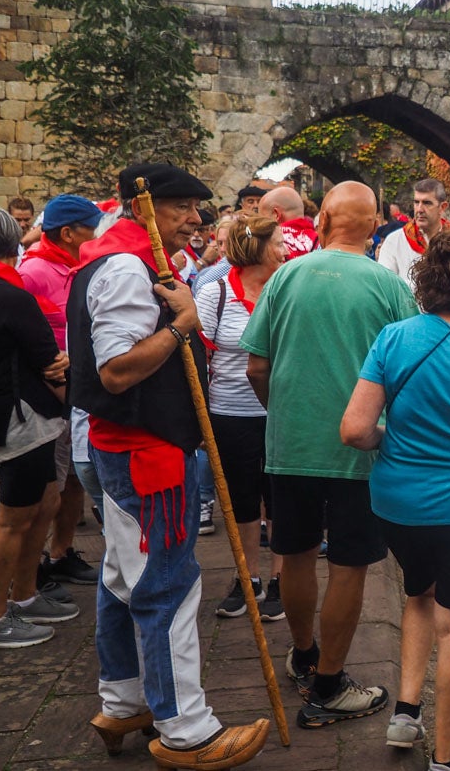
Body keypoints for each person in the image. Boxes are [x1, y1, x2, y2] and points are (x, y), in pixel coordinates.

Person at [68, 164, 268, 768]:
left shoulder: (117, 259)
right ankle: (187, 729)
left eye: (196, 207)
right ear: (142, 207)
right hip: (144, 454)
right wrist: (184, 325)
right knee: (168, 587)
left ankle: (125, 699)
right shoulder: (127, 267)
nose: (196, 219)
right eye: (181, 206)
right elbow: (117, 369)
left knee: (123, 578)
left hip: (129, 448)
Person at [243, 181, 418, 729]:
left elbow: (255, 365)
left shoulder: (286, 276)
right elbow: (410, 370)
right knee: (349, 566)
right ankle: (328, 685)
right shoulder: (388, 286)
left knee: (293, 554)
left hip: (290, 445)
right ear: (372, 229)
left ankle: (303, 653)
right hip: (359, 450)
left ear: (321, 223)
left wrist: (283, 414)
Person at [341, 227, 450, 764]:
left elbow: (355, 429)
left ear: (425, 277)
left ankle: (405, 714)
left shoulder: (395, 337)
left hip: (398, 502)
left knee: (417, 594)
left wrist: (393, 440)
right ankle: (447, 756)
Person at [0, 205, 77, 649]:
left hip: (6, 413)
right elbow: (48, 359)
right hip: (19, 415)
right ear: (12, 242)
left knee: (45, 500)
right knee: (14, 518)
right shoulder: (7, 293)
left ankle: (26, 595)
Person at [195, 215, 287, 621]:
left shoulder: (287, 290)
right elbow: (199, 357)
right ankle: (246, 577)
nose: (286, 250)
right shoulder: (214, 292)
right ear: (261, 248)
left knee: (281, 499)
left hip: (282, 411)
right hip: (230, 412)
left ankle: (281, 581)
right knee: (241, 500)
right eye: (280, 243)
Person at [19, 194, 104, 587]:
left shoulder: (85, 267)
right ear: (68, 233)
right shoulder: (33, 272)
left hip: (79, 394)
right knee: (46, 487)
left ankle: (61, 552)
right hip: (48, 398)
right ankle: (30, 570)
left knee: (73, 480)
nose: (98, 233)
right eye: (91, 227)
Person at [377, 178, 447, 285]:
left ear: (442, 207)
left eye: (427, 203)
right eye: (416, 202)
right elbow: (385, 284)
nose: (419, 209)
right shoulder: (395, 241)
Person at [258, 185, 318, 259]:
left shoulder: (262, 245)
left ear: (276, 214)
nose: (260, 223)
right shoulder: (323, 243)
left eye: (262, 218)